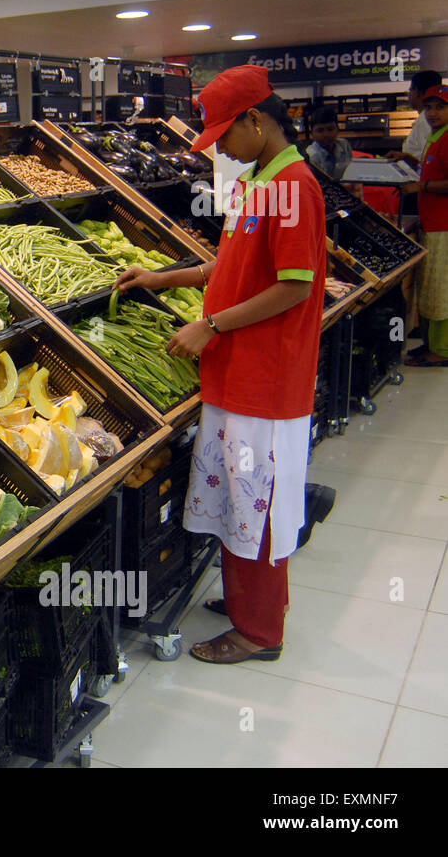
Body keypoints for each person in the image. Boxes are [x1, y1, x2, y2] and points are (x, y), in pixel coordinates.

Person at [114, 64, 329, 664]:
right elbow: (228, 266)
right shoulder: (261, 181)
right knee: (239, 498)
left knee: (258, 503)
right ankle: (248, 605)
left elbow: (294, 286)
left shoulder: (295, 189)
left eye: (225, 137)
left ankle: (260, 632)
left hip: (266, 378)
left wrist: (209, 325)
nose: (223, 152)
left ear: (257, 121)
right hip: (237, 375)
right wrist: (163, 276)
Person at [403, 84, 448, 366]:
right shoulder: (435, 137)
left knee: (440, 291)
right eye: (429, 107)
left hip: (444, 227)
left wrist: (422, 186)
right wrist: (408, 160)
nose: (432, 113)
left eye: (440, 107)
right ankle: (430, 344)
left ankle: (442, 352)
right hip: (432, 224)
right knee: (429, 288)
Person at [388, 70, 442, 167]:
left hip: (419, 180)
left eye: (410, 90)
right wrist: (405, 157)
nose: (408, 95)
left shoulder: (426, 121)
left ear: (418, 93)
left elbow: (428, 162)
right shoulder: (426, 120)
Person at [304, 105, 355, 185]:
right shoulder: (310, 156)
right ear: (312, 134)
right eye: (320, 131)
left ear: (338, 129)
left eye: (330, 129)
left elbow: (351, 173)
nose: (326, 134)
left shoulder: (344, 145)